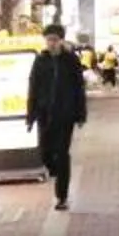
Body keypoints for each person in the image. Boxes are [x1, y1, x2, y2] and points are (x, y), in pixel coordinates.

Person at [24, 26, 89, 211]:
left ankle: (62, 196)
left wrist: (81, 114)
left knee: (62, 154)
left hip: (65, 115)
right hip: (44, 114)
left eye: (54, 39)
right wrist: (31, 114)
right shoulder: (40, 61)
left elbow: (79, 88)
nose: (51, 43)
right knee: (45, 153)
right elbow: (33, 87)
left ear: (61, 40)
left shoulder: (71, 60)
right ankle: (55, 170)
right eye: (48, 39)